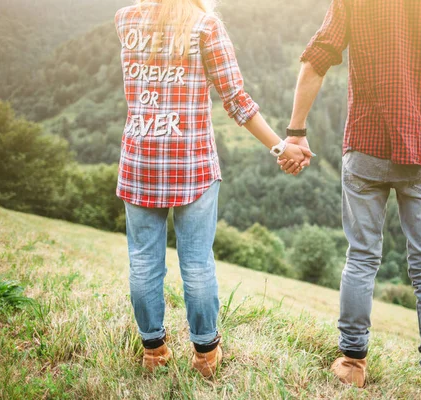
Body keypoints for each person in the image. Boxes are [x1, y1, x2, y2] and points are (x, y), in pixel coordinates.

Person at [280, 0, 421, 397]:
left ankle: (353, 363)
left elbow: (317, 56)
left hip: (367, 145)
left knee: (361, 256)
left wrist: (296, 130)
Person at [114, 0, 312, 378]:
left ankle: (153, 351)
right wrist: (280, 146)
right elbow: (237, 102)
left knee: (142, 261)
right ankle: (205, 354)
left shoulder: (125, 20)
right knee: (197, 262)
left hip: (139, 162)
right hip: (192, 165)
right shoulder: (205, 26)